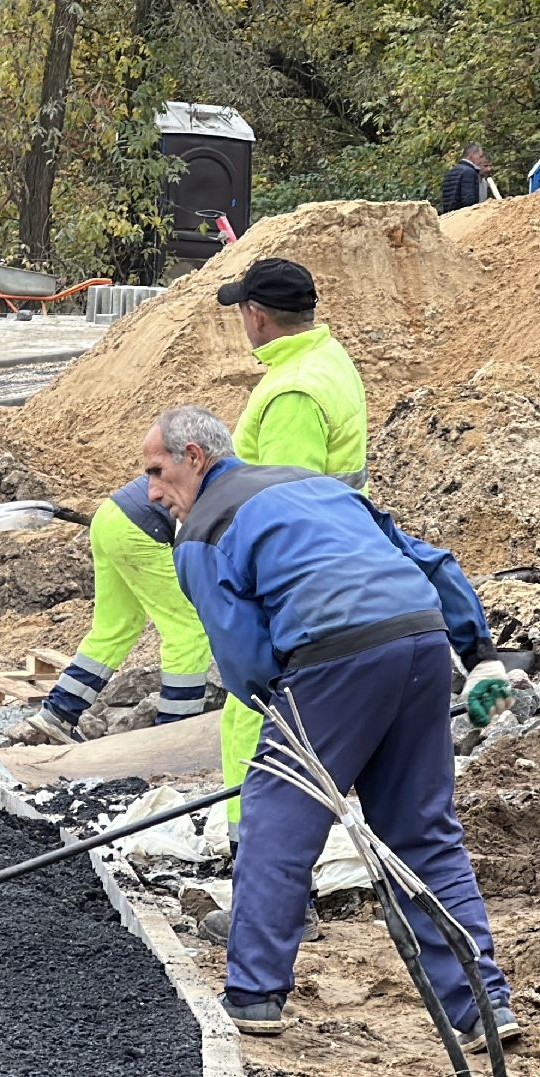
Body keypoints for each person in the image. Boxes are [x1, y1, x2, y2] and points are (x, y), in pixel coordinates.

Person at [141, 404, 517, 1049]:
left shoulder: (202, 532)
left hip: (331, 659)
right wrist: (480, 657)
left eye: (156, 470)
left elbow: (242, 657)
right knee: (421, 831)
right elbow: (431, 562)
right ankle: (481, 1005)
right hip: (422, 644)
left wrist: (284, 718)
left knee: (278, 824)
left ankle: (255, 996)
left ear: (195, 457)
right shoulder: (316, 487)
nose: (153, 491)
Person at [210, 257, 368, 828]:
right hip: (335, 558)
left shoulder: (292, 392)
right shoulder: (326, 360)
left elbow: (282, 508)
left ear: (256, 316)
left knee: (251, 719)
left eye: (242, 311)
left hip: (295, 579)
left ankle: (252, 862)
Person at [23, 477, 211, 745]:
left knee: (116, 626)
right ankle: (175, 732)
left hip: (110, 516)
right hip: (142, 529)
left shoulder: (215, 458)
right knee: (188, 630)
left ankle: (59, 711)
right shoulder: (239, 475)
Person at [440, 143, 493, 213]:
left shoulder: (452, 171)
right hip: (463, 216)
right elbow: (469, 201)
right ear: (472, 155)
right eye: (480, 156)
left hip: (449, 216)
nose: (480, 160)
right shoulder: (469, 172)